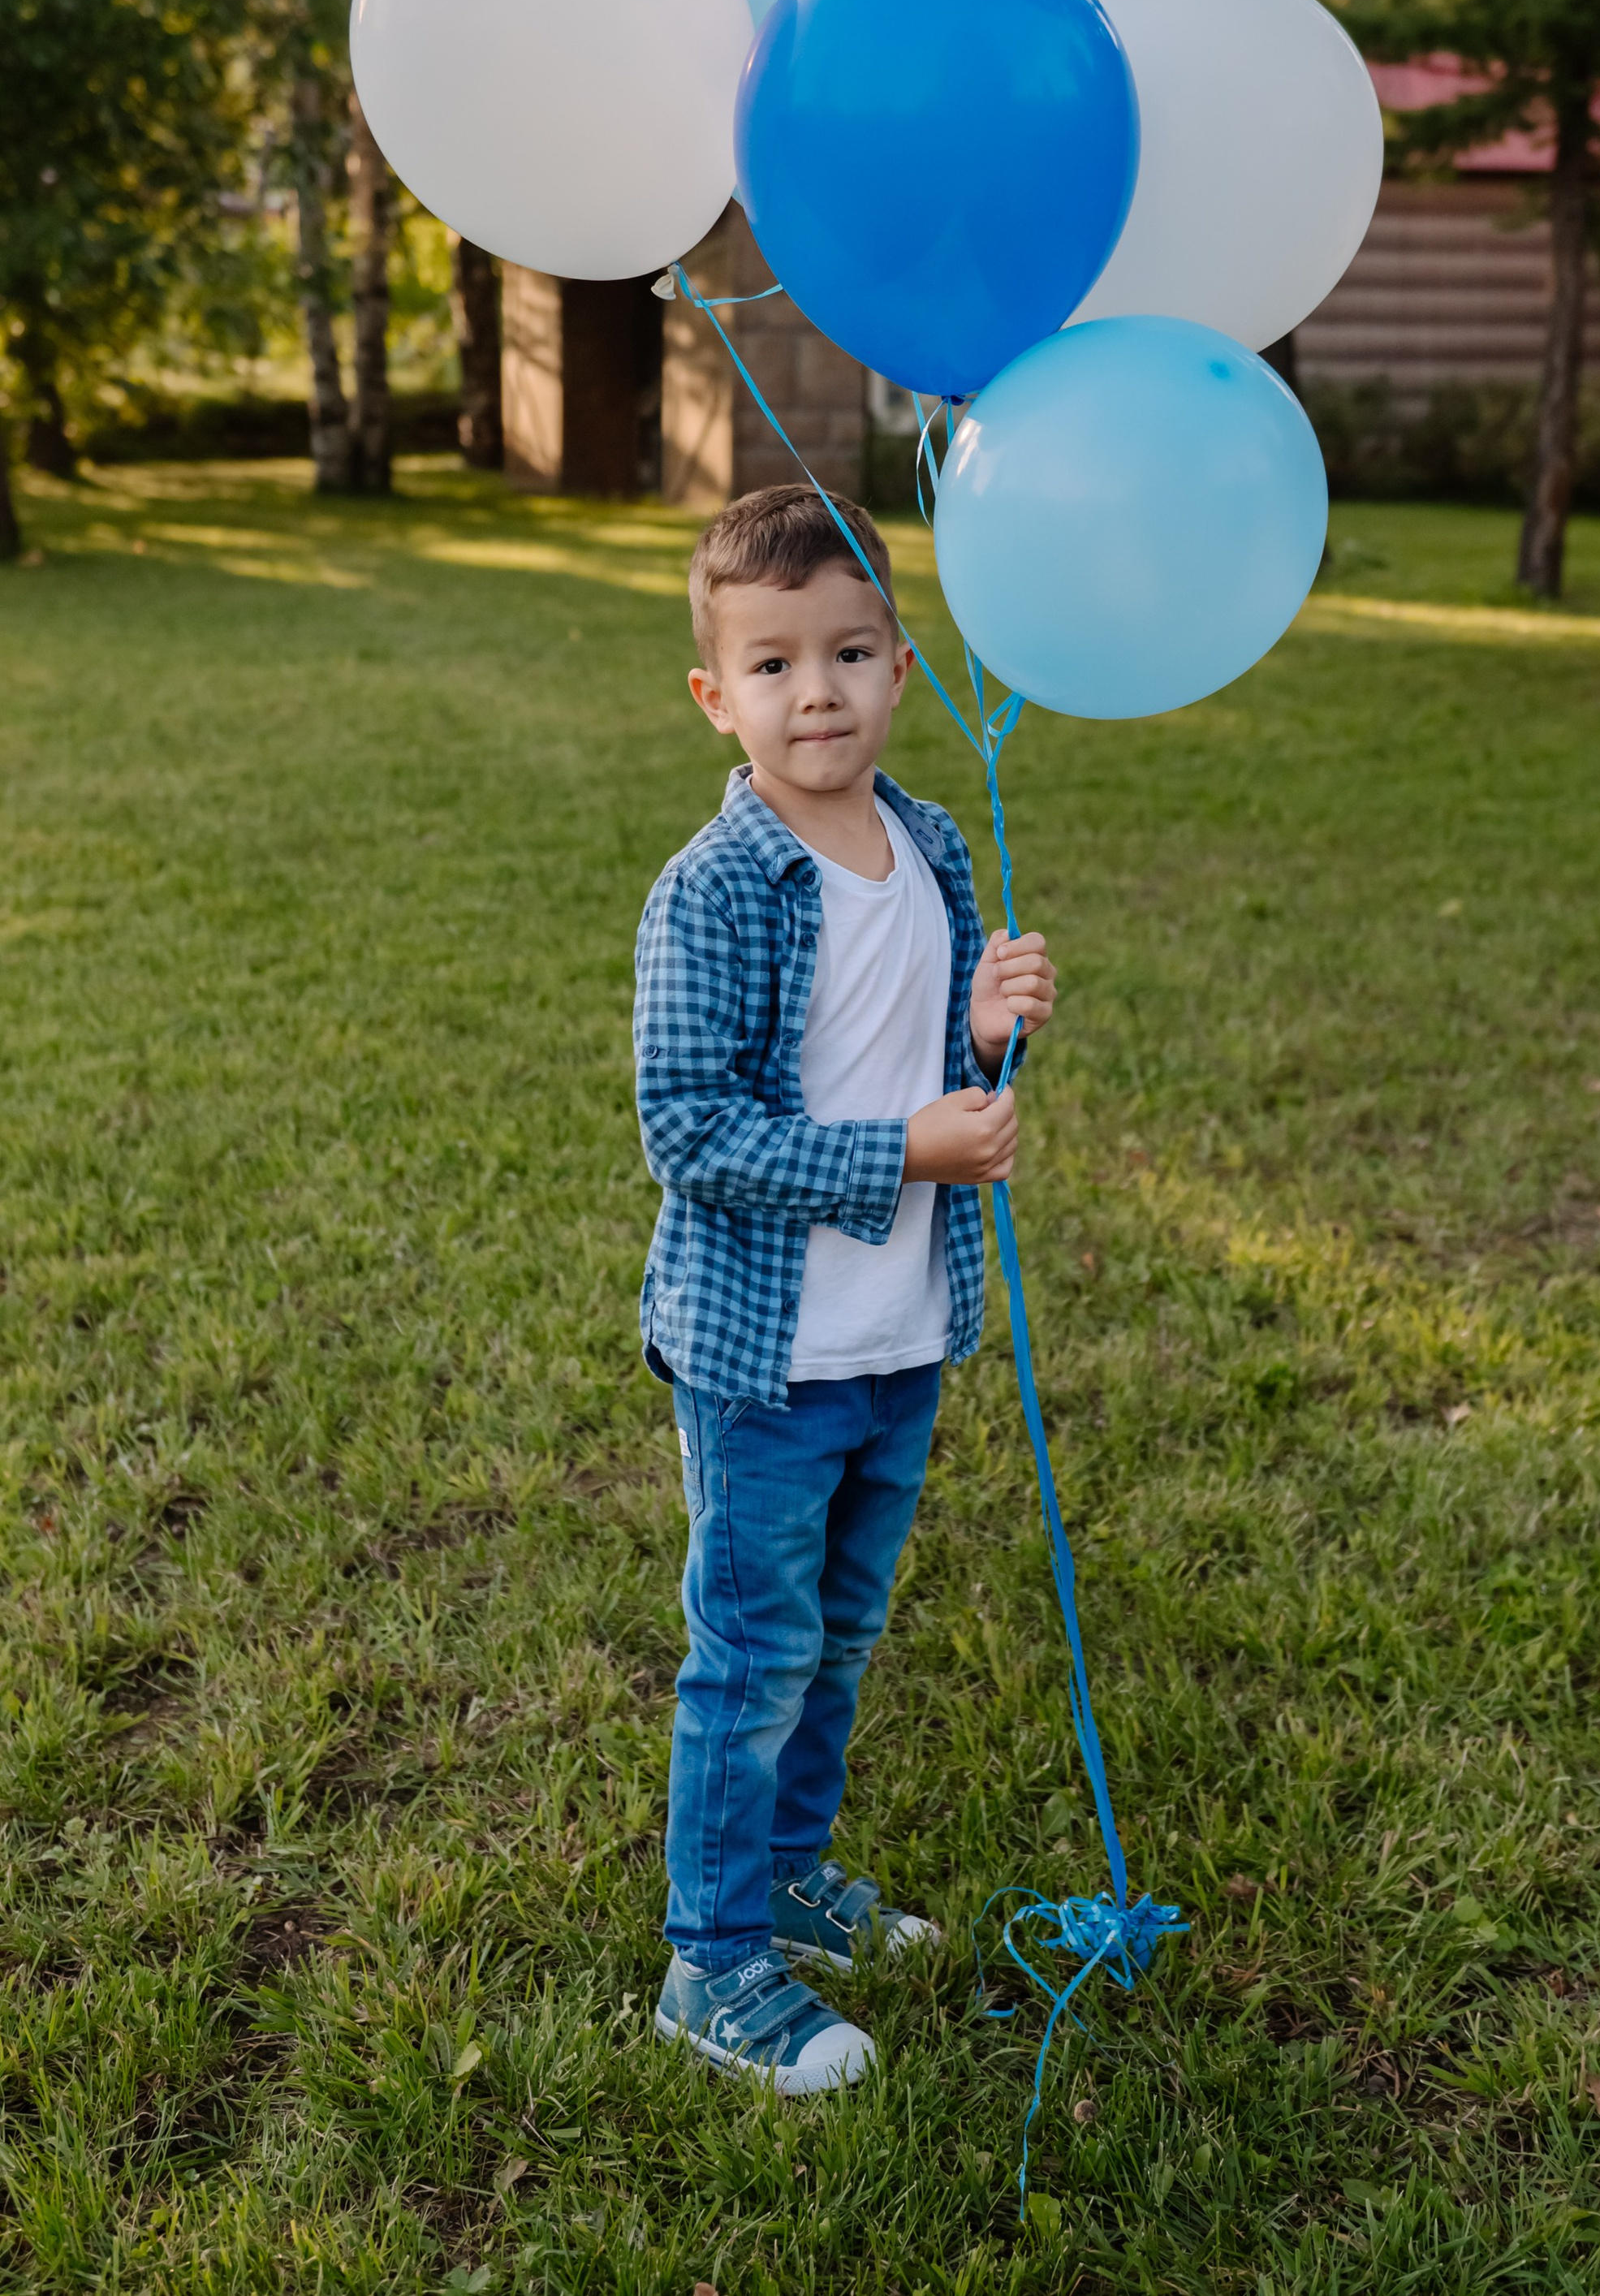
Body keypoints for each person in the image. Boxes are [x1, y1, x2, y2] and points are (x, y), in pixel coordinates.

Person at [634, 481, 1058, 2096]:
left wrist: (997, 1034)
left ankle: (789, 1878)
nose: (813, 692)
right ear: (714, 696)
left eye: (849, 652)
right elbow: (690, 1128)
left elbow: (941, 1069)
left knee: (839, 1635)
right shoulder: (719, 888)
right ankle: (711, 1959)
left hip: (899, 1335)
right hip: (763, 1357)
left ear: (898, 665)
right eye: (770, 664)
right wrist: (904, 1148)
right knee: (749, 1654)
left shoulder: (934, 843)